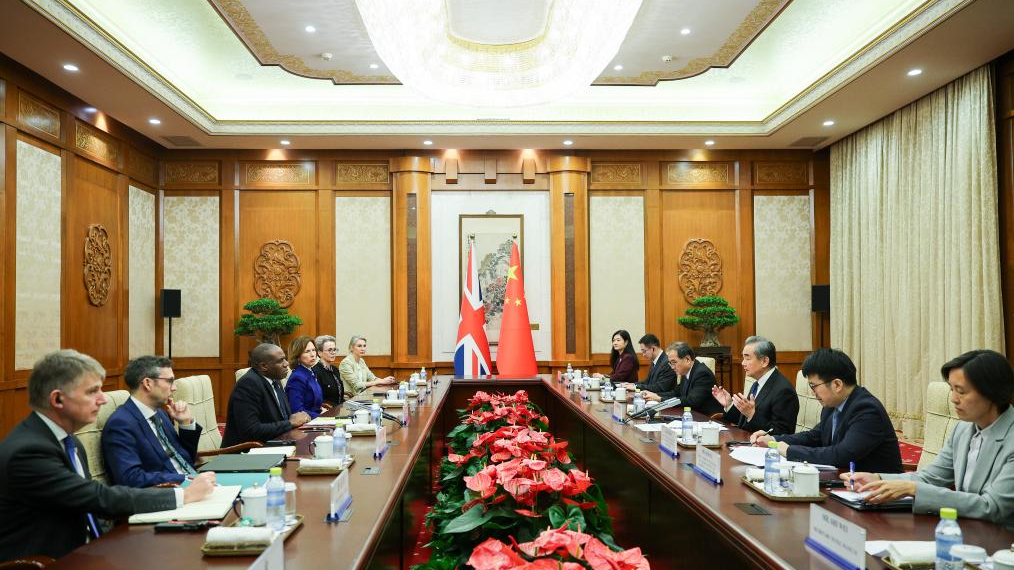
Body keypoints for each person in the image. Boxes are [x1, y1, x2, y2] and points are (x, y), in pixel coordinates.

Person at [0, 350, 215, 561]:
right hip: (52, 561)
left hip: (89, 549)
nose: (103, 400)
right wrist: (183, 495)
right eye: (92, 392)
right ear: (57, 399)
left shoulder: (69, 441)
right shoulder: (28, 452)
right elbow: (97, 497)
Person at [846, 350, 1014, 530]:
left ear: (993, 393)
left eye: (961, 391)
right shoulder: (964, 429)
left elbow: (992, 507)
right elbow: (931, 477)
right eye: (952, 389)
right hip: (967, 530)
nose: (953, 399)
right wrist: (877, 479)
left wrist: (914, 489)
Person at [751, 348, 902, 473]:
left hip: (878, 496)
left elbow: (841, 454)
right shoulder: (832, 405)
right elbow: (815, 436)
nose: (812, 393)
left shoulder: (867, 410)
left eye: (814, 386)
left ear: (837, 384)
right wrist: (774, 440)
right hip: (845, 484)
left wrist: (789, 451)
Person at [101, 355, 200, 487]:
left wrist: (185, 424)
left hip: (191, 484)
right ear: (148, 383)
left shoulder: (160, 413)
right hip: (166, 495)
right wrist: (184, 479)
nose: (174, 387)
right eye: (170, 381)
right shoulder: (120, 424)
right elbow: (130, 478)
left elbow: (186, 460)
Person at [222, 343, 310, 447]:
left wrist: (297, 418)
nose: (286, 364)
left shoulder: (275, 379)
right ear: (264, 366)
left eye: (285, 359)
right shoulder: (248, 384)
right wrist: (290, 423)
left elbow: (283, 417)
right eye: (280, 360)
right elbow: (250, 430)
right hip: (247, 452)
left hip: (276, 443)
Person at [711, 336, 798, 435]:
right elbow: (744, 421)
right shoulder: (757, 383)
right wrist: (729, 405)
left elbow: (781, 433)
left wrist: (752, 415)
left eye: (747, 358)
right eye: (743, 358)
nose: (743, 363)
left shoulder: (784, 391)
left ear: (764, 361)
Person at [644, 342, 722, 415]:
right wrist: (655, 395)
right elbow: (676, 392)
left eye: (674, 362)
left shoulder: (702, 374)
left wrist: (660, 399)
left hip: (708, 419)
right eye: (670, 363)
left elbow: (691, 401)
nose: (672, 367)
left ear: (687, 360)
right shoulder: (686, 371)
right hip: (691, 415)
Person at [284, 335, 325, 419]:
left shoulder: (310, 372)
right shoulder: (297, 378)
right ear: (298, 356)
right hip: (305, 425)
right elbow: (297, 411)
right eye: (307, 351)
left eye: (313, 350)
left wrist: (322, 411)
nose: (313, 354)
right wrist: (321, 417)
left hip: (316, 420)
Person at [312, 334, 344, 406]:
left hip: (339, 409)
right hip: (327, 412)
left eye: (334, 350)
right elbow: (319, 399)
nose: (333, 353)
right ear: (320, 353)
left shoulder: (335, 369)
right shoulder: (316, 371)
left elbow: (339, 395)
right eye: (330, 350)